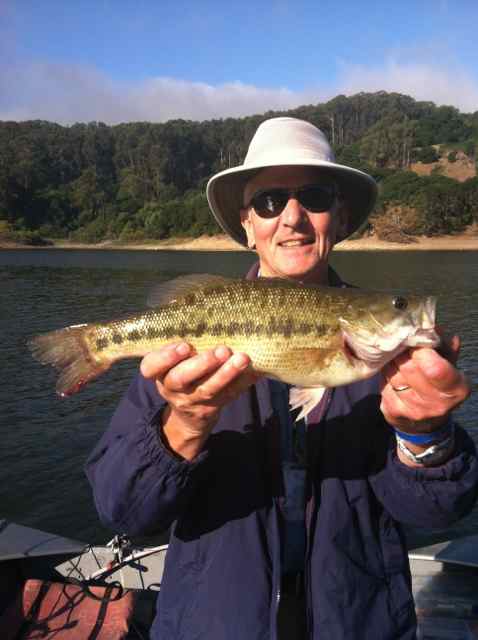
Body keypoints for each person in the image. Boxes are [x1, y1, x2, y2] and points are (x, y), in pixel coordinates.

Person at [85, 117, 478, 639]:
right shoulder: (178, 372)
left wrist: (424, 435)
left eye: (314, 197)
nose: (292, 217)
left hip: (359, 622)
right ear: (247, 225)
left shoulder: (392, 366)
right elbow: (124, 512)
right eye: (269, 202)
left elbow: (436, 511)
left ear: (339, 217)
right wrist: (183, 423)